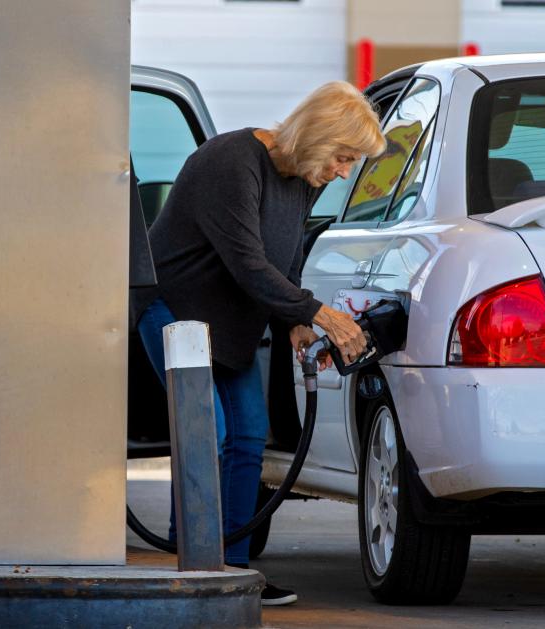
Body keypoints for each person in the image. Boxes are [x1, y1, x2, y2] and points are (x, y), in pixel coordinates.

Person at [135, 81, 386, 606]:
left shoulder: (302, 176)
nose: (344, 172)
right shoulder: (233, 161)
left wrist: (292, 321)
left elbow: (287, 253)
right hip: (176, 313)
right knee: (208, 433)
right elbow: (248, 262)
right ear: (318, 136)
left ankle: (235, 571)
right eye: (342, 157)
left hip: (233, 322)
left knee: (248, 437)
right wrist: (318, 313)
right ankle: (198, 565)